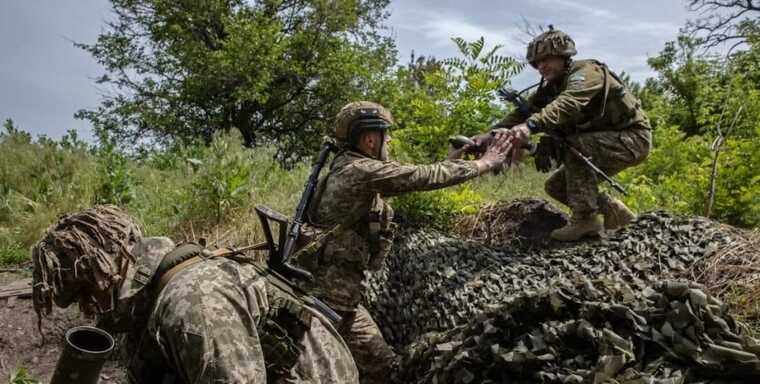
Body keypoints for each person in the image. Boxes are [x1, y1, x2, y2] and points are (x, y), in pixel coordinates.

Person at [292, 101, 513, 383]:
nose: (390, 142)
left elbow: (413, 176)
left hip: (339, 299)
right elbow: (419, 177)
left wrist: (453, 160)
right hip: (327, 303)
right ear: (371, 139)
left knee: (384, 369)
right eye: (387, 136)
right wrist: (485, 163)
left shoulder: (347, 166)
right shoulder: (361, 171)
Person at [32, 205, 359, 384]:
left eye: (85, 293)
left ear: (111, 267)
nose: (88, 309)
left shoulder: (190, 304)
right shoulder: (148, 306)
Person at [476, 27, 651, 241]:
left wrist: (530, 126)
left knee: (577, 147)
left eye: (546, 60)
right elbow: (522, 113)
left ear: (563, 56)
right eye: (536, 63)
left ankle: (585, 220)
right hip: (607, 141)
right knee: (557, 186)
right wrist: (488, 135)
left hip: (633, 138)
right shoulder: (551, 87)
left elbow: (567, 104)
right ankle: (613, 210)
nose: (541, 67)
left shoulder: (587, 72)